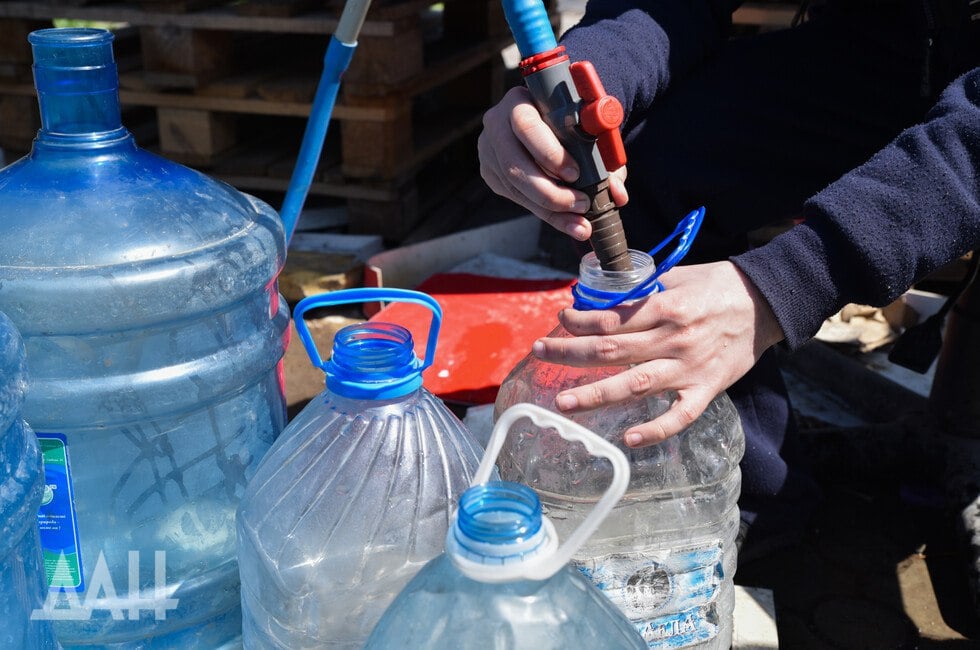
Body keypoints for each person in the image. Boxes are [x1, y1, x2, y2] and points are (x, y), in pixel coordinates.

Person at [478, 0, 980, 555]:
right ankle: (755, 499)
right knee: (653, 152)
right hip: (894, 47)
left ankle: (964, 442)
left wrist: (779, 286)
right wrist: (579, 92)